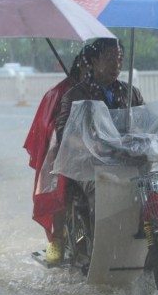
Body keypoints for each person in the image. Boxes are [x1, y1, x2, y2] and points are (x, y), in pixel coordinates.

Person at [53, 38, 145, 257]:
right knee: (101, 190)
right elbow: (63, 132)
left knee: (154, 187)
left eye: (120, 59)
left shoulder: (131, 93)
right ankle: (100, 251)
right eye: (110, 59)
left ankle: (149, 239)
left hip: (126, 159)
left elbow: (150, 123)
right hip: (89, 166)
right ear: (94, 61)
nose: (116, 65)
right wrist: (89, 144)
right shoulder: (75, 95)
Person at [23, 48, 90, 264]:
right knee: (60, 186)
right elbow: (50, 129)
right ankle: (57, 237)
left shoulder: (109, 89)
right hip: (64, 153)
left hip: (100, 155)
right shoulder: (63, 94)